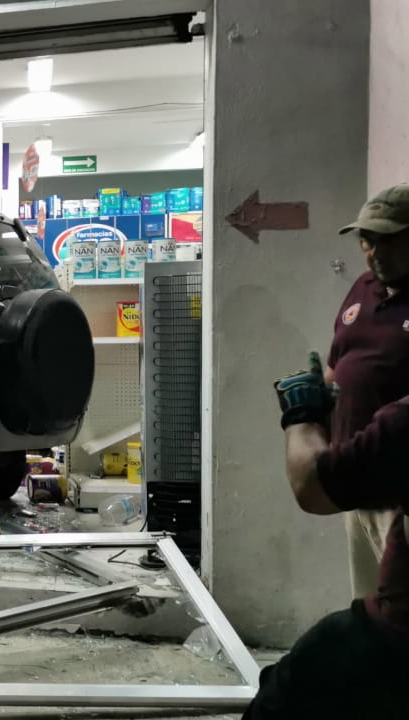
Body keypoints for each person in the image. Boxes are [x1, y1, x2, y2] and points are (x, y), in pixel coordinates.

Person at [247, 358, 409, 718]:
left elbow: (312, 486)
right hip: (364, 508)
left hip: (399, 642)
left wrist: (300, 416)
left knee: (290, 686)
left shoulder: (402, 424)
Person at [325, 183, 409, 596]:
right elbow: (336, 363)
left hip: (400, 495)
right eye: (366, 240)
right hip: (356, 485)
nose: (374, 252)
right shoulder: (362, 288)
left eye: (388, 241)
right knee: (368, 610)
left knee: (400, 616)